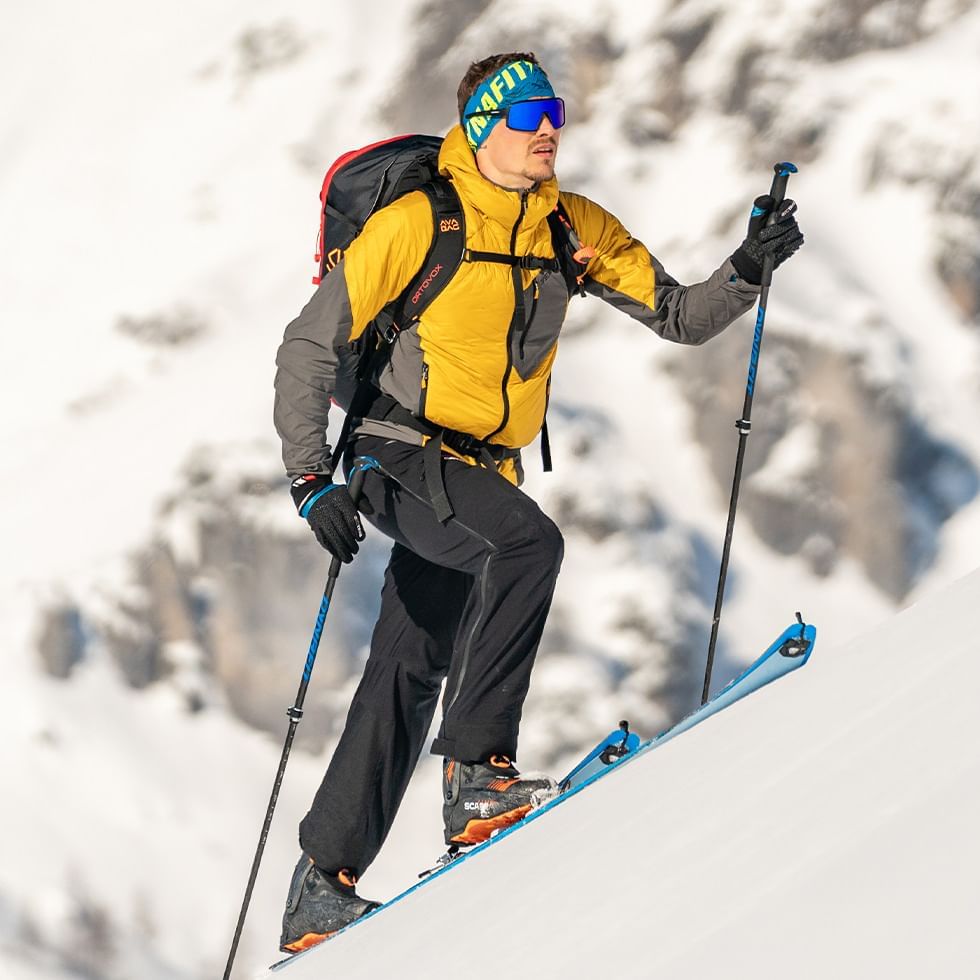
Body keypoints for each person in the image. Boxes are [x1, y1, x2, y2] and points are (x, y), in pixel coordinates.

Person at [272, 51, 803, 951]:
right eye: (525, 116)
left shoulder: (570, 226)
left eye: (552, 110)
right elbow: (307, 345)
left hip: (478, 470)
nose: (547, 127)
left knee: (410, 664)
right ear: (482, 129)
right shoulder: (416, 222)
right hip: (395, 452)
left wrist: (748, 266)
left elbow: (678, 315)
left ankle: (321, 884)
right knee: (525, 548)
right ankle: (478, 775)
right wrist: (308, 476)